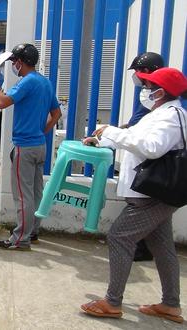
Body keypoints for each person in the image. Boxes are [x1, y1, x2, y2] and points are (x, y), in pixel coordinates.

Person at [80, 67, 187, 323]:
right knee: (162, 247)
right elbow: (136, 138)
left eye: (148, 87)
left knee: (119, 237)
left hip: (152, 196)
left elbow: (151, 148)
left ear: (160, 92)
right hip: (153, 194)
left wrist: (112, 133)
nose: (144, 91)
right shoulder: (162, 114)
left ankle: (112, 302)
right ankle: (171, 304)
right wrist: (104, 139)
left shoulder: (170, 117)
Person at [0, 43, 61, 251]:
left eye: (13, 62)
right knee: (36, 193)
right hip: (39, 146)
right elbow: (57, 114)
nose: (12, 66)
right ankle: (32, 231)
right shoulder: (45, 83)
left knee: (23, 195)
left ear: (20, 62)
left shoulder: (27, 82)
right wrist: (41, 131)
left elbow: (1, 102)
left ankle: (20, 239)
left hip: (25, 147)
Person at [122, 52, 165, 262]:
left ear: (148, 72)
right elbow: (137, 122)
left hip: (151, 160)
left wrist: (120, 132)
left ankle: (139, 246)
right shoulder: (151, 96)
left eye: (139, 74)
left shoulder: (160, 98)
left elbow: (143, 129)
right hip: (147, 158)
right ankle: (144, 247)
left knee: (139, 206)